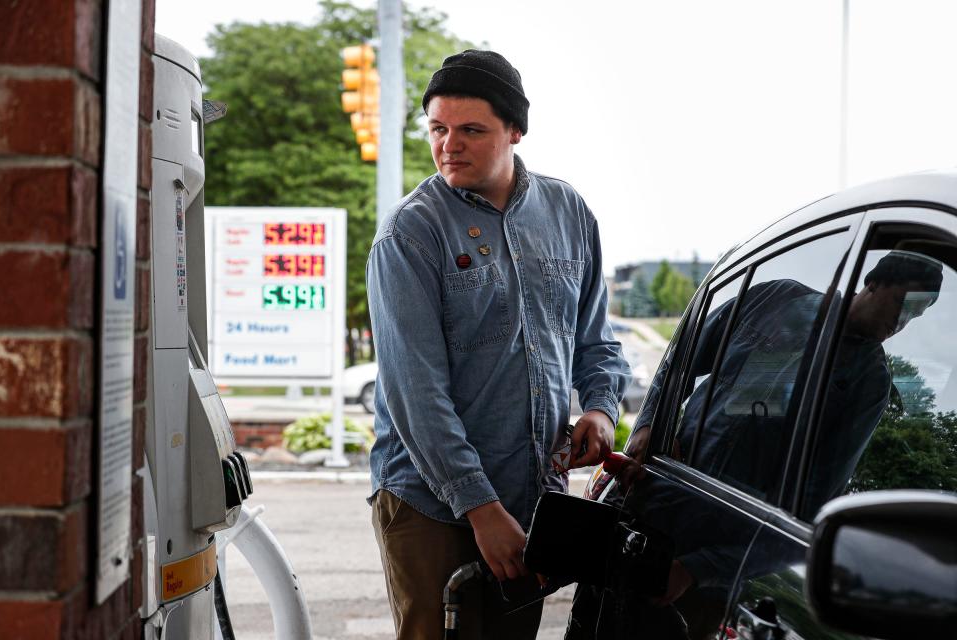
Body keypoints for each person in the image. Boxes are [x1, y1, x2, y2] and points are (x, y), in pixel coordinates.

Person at [365, 49, 632, 640]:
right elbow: (415, 392)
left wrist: (599, 409)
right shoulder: (410, 232)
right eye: (438, 129)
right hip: (431, 498)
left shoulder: (569, 212)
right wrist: (480, 510)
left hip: (530, 492)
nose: (449, 145)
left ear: (515, 130)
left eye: (471, 130)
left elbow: (595, 340)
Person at [566, 250, 944, 639]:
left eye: (915, 315)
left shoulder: (868, 382)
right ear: (875, 282)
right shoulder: (773, 299)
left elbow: (811, 509)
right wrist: (648, 427)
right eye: (903, 304)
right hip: (641, 514)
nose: (902, 322)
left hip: (708, 577)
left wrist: (699, 568)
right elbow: (681, 357)